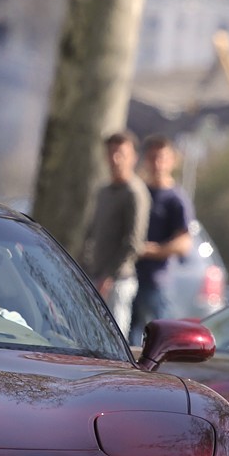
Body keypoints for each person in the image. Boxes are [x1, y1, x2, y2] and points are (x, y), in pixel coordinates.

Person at [81, 131, 151, 336]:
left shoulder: (135, 192)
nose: (115, 159)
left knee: (114, 337)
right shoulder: (103, 191)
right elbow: (91, 232)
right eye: (111, 153)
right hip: (94, 275)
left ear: (133, 157)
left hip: (118, 280)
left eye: (121, 153)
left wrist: (109, 275)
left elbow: (134, 243)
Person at [128, 135, 194, 346]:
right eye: (153, 158)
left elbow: (185, 243)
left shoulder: (175, 199)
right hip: (129, 276)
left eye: (162, 158)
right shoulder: (139, 191)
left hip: (157, 282)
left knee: (155, 342)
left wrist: (152, 250)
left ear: (172, 161)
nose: (157, 164)